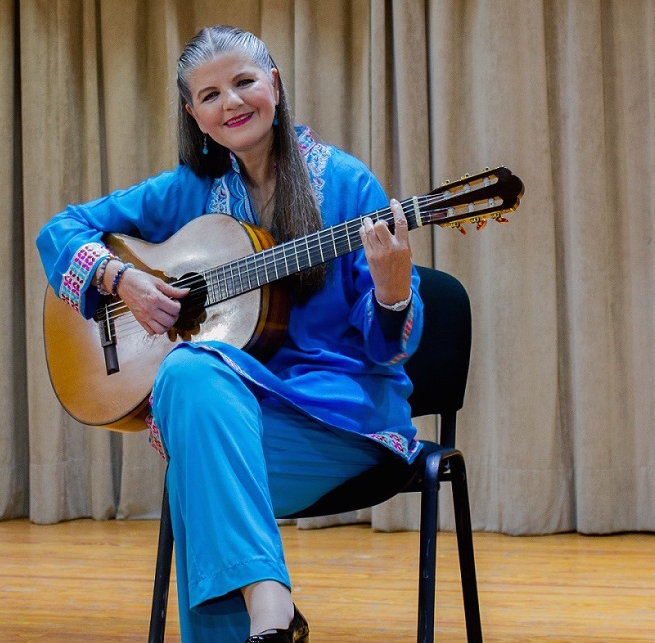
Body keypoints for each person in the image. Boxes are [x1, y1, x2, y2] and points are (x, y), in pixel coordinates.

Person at [37, 25, 424, 643]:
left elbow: (389, 349)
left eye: (244, 82)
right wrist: (121, 280)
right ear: (193, 113)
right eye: (210, 94)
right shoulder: (190, 190)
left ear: (275, 84)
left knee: (195, 460)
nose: (232, 103)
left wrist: (393, 288)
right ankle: (271, 614)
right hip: (239, 421)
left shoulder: (348, 185)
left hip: (340, 422)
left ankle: (268, 614)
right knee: (189, 374)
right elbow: (60, 229)